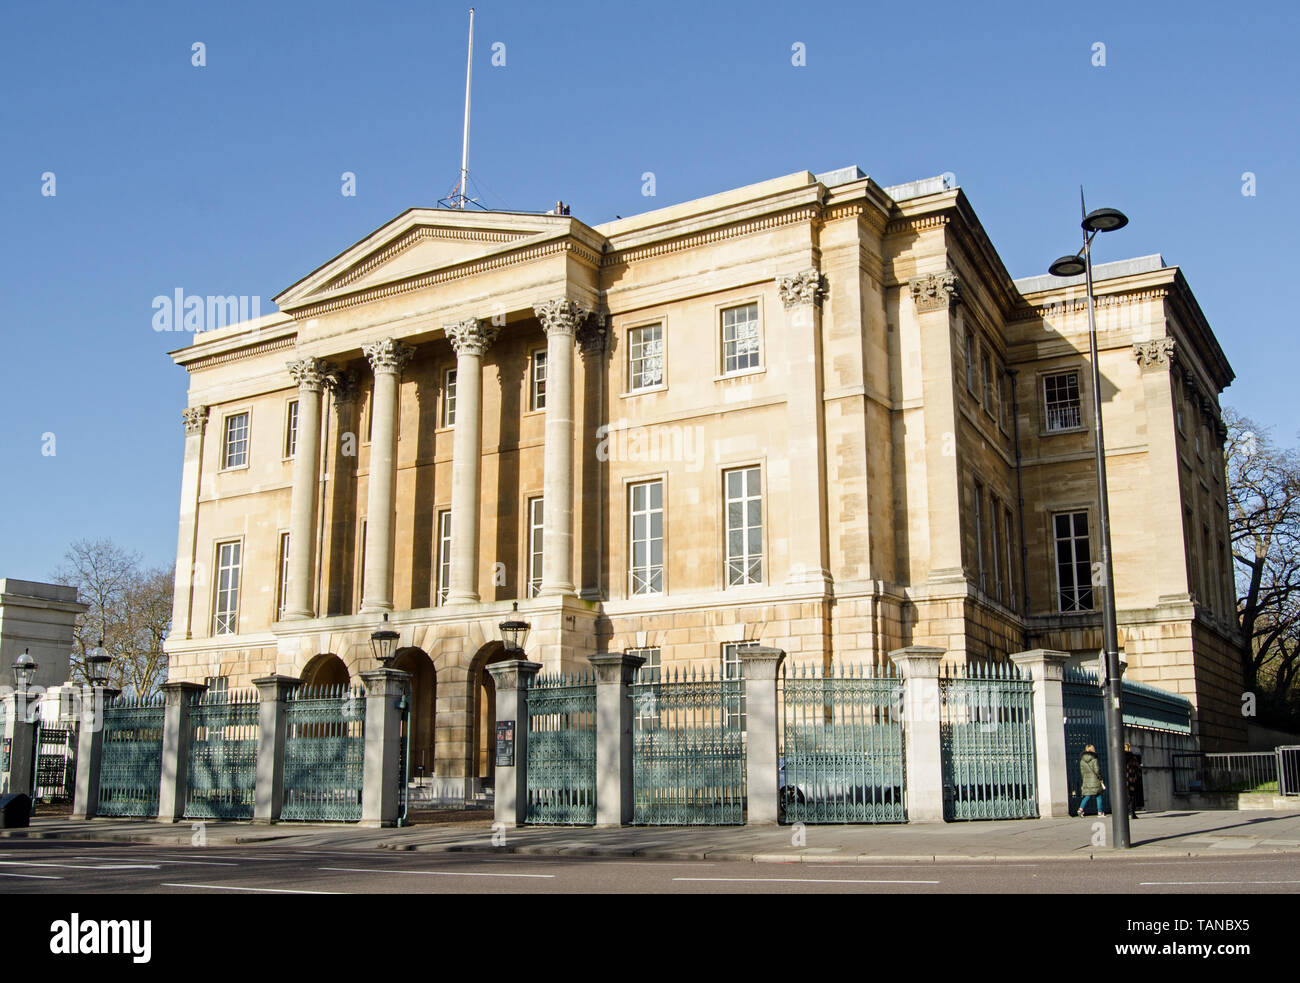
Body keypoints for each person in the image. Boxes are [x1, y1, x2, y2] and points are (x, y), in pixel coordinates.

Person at [1078, 744, 1105, 817]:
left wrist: (1084, 778)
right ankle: (1100, 812)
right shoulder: (1094, 758)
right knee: (1098, 795)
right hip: (1095, 779)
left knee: (1087, 795)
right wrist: (1100, 777)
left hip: (1086, 779)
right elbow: (1096, 770)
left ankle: (1080, 809)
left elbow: (1082, 771)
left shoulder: (1082, 760)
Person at [1124, 743, 1144, 818]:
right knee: (1131, 796)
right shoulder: (1132, 757)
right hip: (1131, 778)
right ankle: (1132, 813)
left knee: (1124, 795)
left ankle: (1124, 812)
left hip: (1122, 779)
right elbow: (1138, 768)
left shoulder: (1119, 757)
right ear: (1129, 748)